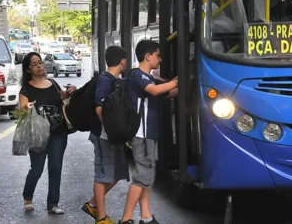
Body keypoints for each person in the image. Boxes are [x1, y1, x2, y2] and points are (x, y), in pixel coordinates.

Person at [118, 40, 178, 224]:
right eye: (158, 55)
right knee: (143, 176)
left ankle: (146, 216)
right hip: (141, 134)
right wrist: (180, 79)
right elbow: (154, 90)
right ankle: (126, 218)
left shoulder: (148, 77)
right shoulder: (138, 76)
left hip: (148, 134)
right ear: (148, 56)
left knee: (146, 175)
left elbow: (167, 92)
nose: (160, 60)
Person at [19, 52, 76, 214]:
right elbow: (22, 106)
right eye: (35, 64)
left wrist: (70, 91)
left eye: (40, 62)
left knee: (55, 168)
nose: (39, 66)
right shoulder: (26, 88)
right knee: (36, 169)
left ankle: (53, 203)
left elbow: (62, 97)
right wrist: (27, 107)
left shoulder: (52, 82)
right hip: (37, 135)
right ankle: (28, 197)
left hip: (58, 133)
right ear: (29, 69)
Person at [82, 46, 129, 224]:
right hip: (103, 135)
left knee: (116, 174)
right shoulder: (105, 80)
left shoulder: (114, 79)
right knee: (103, 175)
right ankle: (101, 217)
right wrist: (109, 129)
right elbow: (99, 107)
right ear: (122, 61)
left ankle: (93, 204)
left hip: (109, 135)